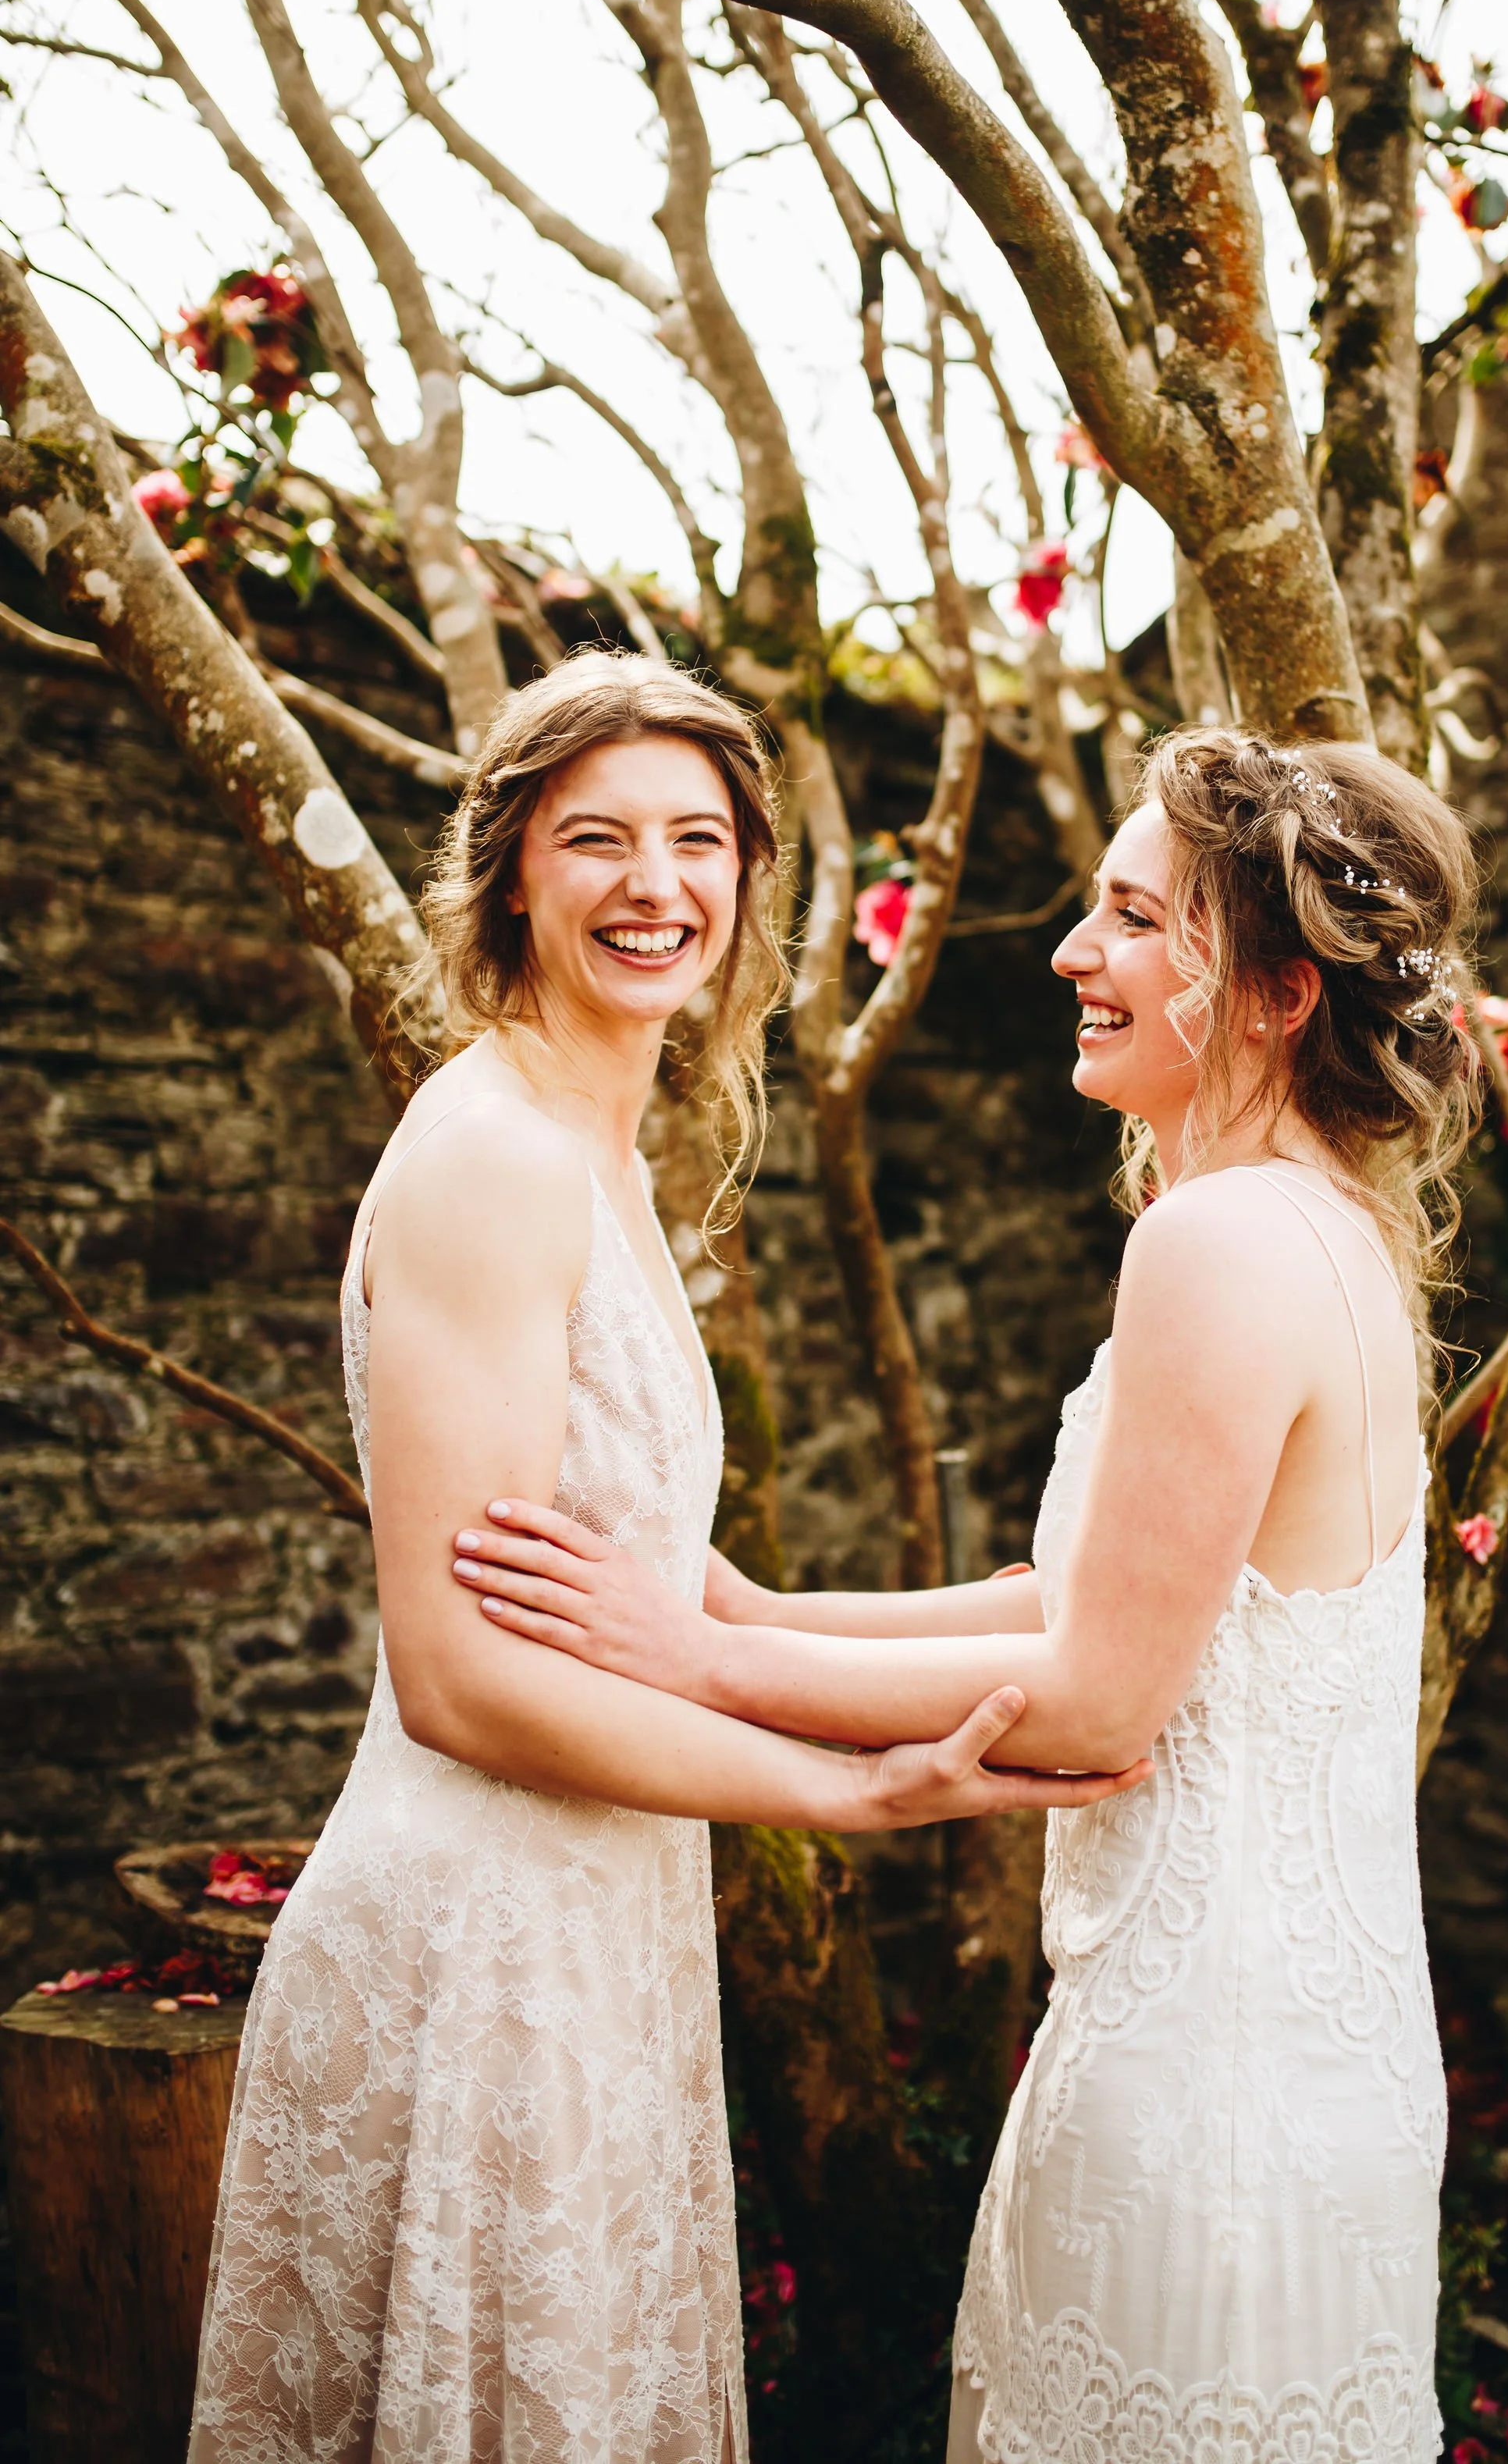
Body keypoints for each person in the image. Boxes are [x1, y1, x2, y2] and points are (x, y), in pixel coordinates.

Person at [456, 726, 1482, 2464]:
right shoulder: (1316, 1225)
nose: (1076, 956)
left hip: (1209, 2073)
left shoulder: (1216, 1248)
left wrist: (700, 1663)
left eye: (1138, 923)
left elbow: (1095, 1698)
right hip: (1303, 2043)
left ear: (1278, 995)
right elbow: (1069, 1592)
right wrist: (755, 1610)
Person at [187, 650, 1146, 2464]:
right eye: (599, 840)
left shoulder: (598, 1141)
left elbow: (699, 1595)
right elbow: (468, 1682)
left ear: (749, 877)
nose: (657, 886)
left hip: (599, 1915)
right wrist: (855, 1792)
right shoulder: (495, 1160)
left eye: (698, 839)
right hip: (479, 1946)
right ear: (511, 872)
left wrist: (1026, 1613)